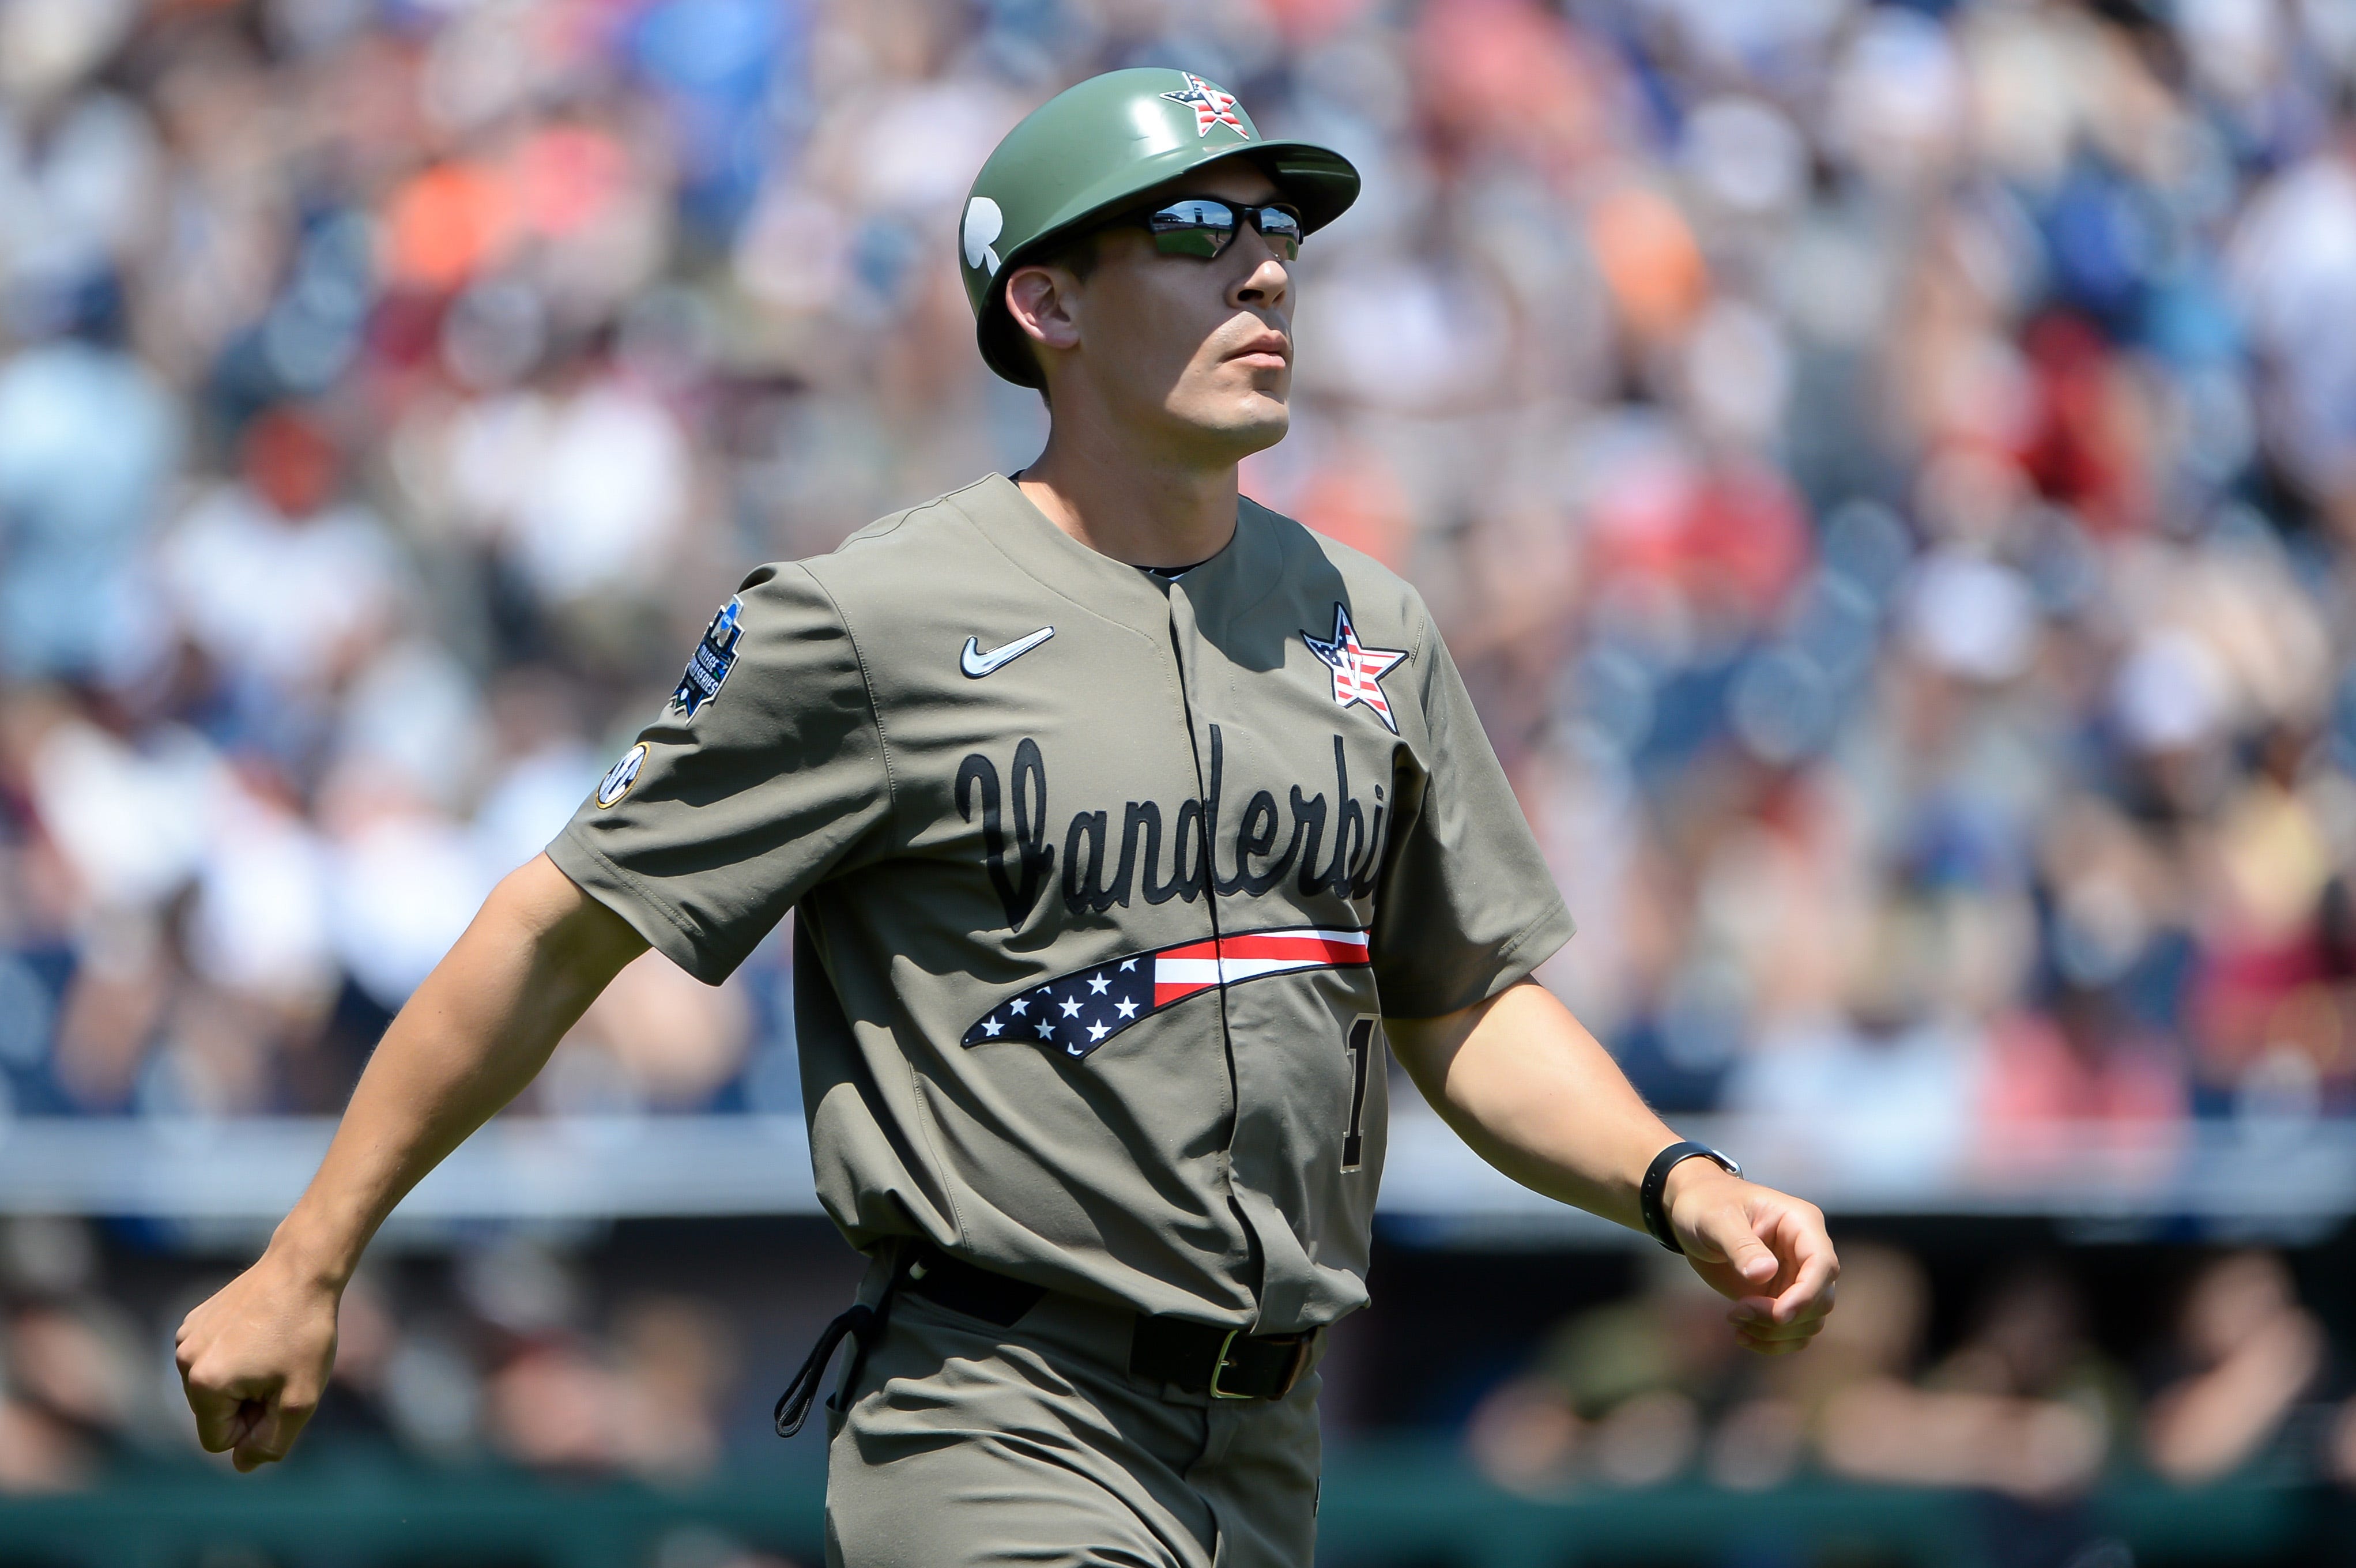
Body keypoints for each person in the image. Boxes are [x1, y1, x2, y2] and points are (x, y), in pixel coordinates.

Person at [173, 69, 1839, 1567]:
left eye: (1281, 232)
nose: (1264, 269)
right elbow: (560, 925)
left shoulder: (1369, 620)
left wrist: (1675, 1180)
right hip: (999, 1416)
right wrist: (310, 1257)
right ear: (1044, 298)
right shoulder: (871, 620)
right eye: (1197, 229)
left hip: (1269, 1448)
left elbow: (1460, 1000)